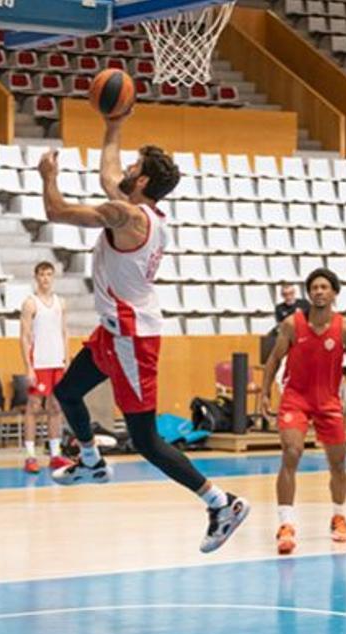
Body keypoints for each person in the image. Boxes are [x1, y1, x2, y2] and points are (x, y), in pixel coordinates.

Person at [37, 112, 249, 553]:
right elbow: (108, 172)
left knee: (146, 439)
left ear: (143, 181)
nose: (125, 170)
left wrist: (48, 176)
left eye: (134, 167)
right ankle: (91, 462)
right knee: (68, 392)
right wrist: (114, 122)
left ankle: (220, 503)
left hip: (132, 337)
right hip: (115, 331)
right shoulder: (145, 214)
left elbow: (55, 210)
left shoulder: (127, 217)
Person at [259, 269, 346, 555]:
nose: (319, 292)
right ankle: (286, 523)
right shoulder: (291, 324)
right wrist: (263, 393)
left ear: (334, 293)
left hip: (328, 402)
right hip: (295, 399)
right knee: (291, 452)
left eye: (325, 287)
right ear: (308, 293)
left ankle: (338, 516)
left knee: (338, 463)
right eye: (314, 287)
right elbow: (274, 359)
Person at [19, 261, 70, 474]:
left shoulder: (61, 303)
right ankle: (30, 456)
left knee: (56, 408)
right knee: (33, 408)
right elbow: (23, 336)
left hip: (56, 362)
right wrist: (28, 367)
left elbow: (64, 331)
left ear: (53, 277)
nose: (46, 278)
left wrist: (66, 359)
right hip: (39, 362)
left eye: (49, 274)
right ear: (36, 277)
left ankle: (55, 454)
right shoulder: (30, 303)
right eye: (42, 274)